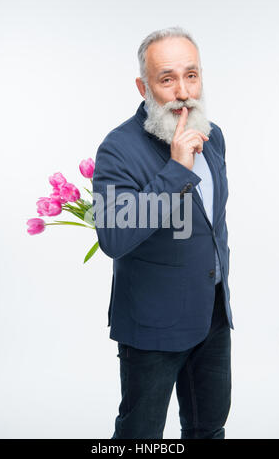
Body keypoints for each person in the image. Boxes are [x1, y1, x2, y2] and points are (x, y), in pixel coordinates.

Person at [92, 26, 234, 439]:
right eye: (167, 79)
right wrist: (175, 169)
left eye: (191, 75)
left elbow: (210, 221)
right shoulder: (118, 148)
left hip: (212, 315)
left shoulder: (213, 136)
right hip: (152, 325)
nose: (183, 91)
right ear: (143, 86)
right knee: (140, 435)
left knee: (208, 429)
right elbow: (113, 239)